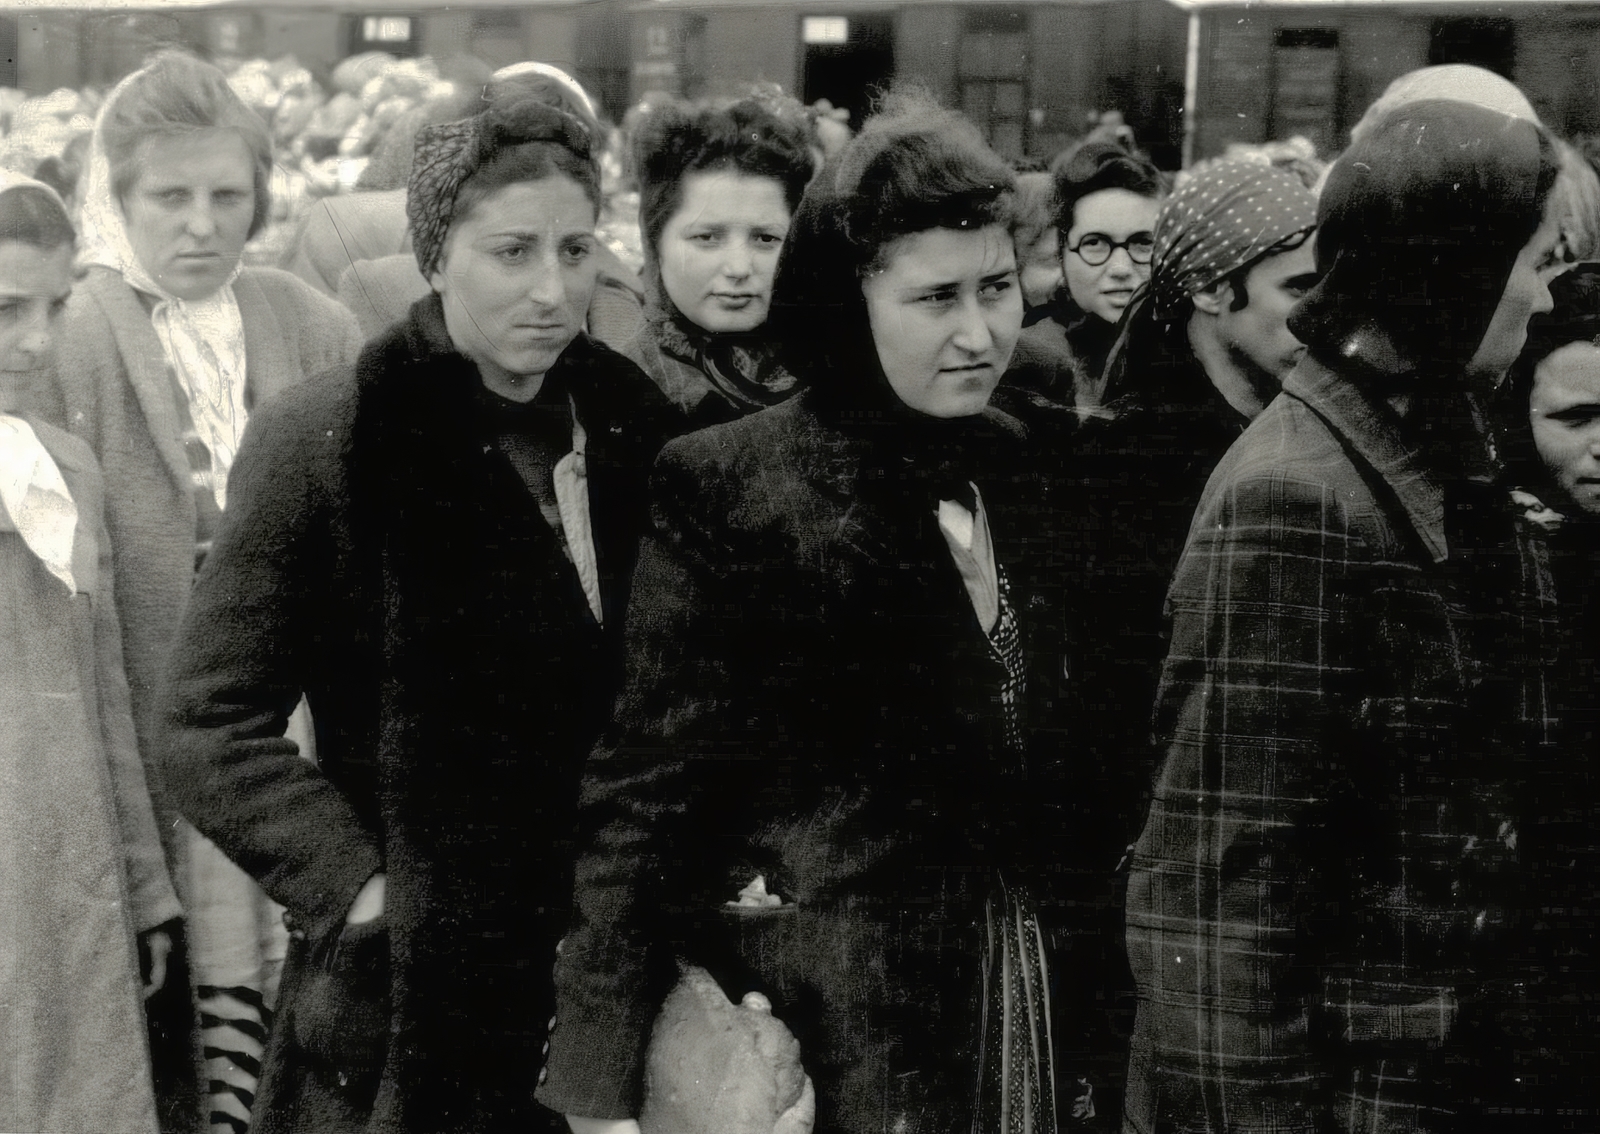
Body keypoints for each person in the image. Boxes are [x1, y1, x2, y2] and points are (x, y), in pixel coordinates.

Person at [539, 90, 1074, 1134]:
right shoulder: (734, 485)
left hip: (1017, 1003)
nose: (978, 333)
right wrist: (601, 1092)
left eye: (997, 289)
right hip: (835, 1028)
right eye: (934, 300)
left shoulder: (1029, 461)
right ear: (846, 300)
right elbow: (646, 788)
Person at [160, 89, 679, 1134]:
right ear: (436, 255)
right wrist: (361, 890)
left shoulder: (632, 425)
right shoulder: (332, 439)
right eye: (512, 252)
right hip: (411, 1007)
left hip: (607, 982)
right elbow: (204, 725)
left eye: (576, 251)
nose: (551, 290)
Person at [1123, 99, 1568, 1133]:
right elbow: (1216, 901)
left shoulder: (1428, 441)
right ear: (1453, 266)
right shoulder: (1295, 498)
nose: (1547, 296)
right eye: (1535, 259)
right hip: (1344, 1095)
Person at [44, 51, 364, 1134]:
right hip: (170, 732)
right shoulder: (75, 336)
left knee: (321, 1009)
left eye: (227, 196)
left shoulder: (306, 322)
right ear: (117, 197)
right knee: (210, 1030)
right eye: (168, 197)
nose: (200, 224)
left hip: (308, 730)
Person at [0, 169, 181, 1134]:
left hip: (60, 881)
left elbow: (104, 694)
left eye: (55, 306)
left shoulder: (66, 470)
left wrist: (143, 883)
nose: (35, 341)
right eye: (4, 308)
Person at [618, 91, 816, 427]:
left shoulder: (829, 368)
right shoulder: (626, 390)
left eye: (766, 238)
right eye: (707, 238)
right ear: (656, 243)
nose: (739, 268)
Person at [1021, 140, 1164, 412]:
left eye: (1143, 243)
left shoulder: (1181, 352)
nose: (1121, 268)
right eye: (1095, 243)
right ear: (1062, 252)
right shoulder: (1032, 362)